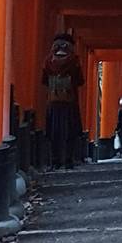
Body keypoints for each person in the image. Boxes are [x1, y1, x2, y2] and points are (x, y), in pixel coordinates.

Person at [42, 32, 84, 169]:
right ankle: (68, 160)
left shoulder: (49, 60)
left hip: (53, 101)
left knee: (54, 132)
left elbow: (44, 80)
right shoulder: (74, 60)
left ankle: (54, 161)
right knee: (69, 131)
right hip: (69, 101)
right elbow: (80, 81)